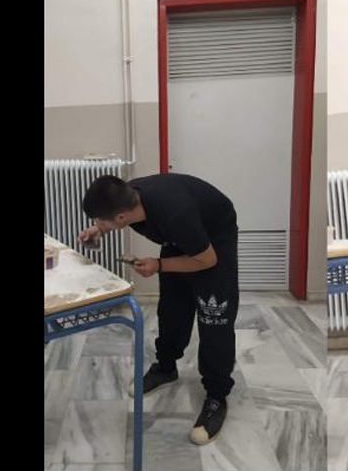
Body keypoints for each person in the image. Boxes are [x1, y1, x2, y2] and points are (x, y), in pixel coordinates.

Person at [78, 173, 239, 445]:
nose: (97, 224)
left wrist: (160, 265)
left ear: (121, 218)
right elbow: (118, 216)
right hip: (180, 236)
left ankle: (216, 395)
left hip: (213, 242)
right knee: (172, 307)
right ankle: (166, 367)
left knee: (215, 318)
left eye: (100, 221)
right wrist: (100, 230)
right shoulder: (129, 196)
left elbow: (207, 260)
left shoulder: (175, 215)